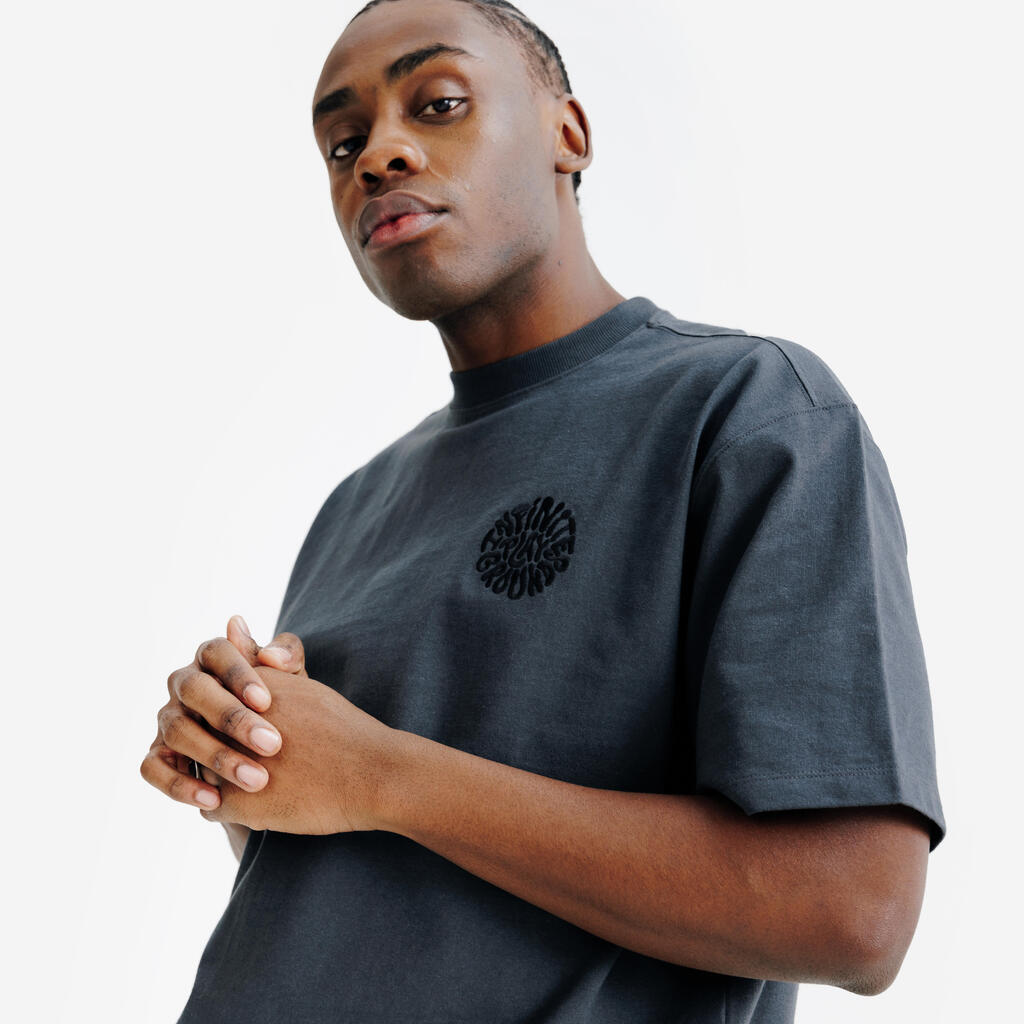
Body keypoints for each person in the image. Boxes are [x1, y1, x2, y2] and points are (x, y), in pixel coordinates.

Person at [140, 1, 946, 1021]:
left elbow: (850, 910)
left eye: (437, 103)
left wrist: (379, 772)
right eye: (342, 144)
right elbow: (391, 894)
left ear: (569, 133)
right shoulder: (354, 507)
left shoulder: (748, 412)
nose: (378, 156)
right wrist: (248, 765)